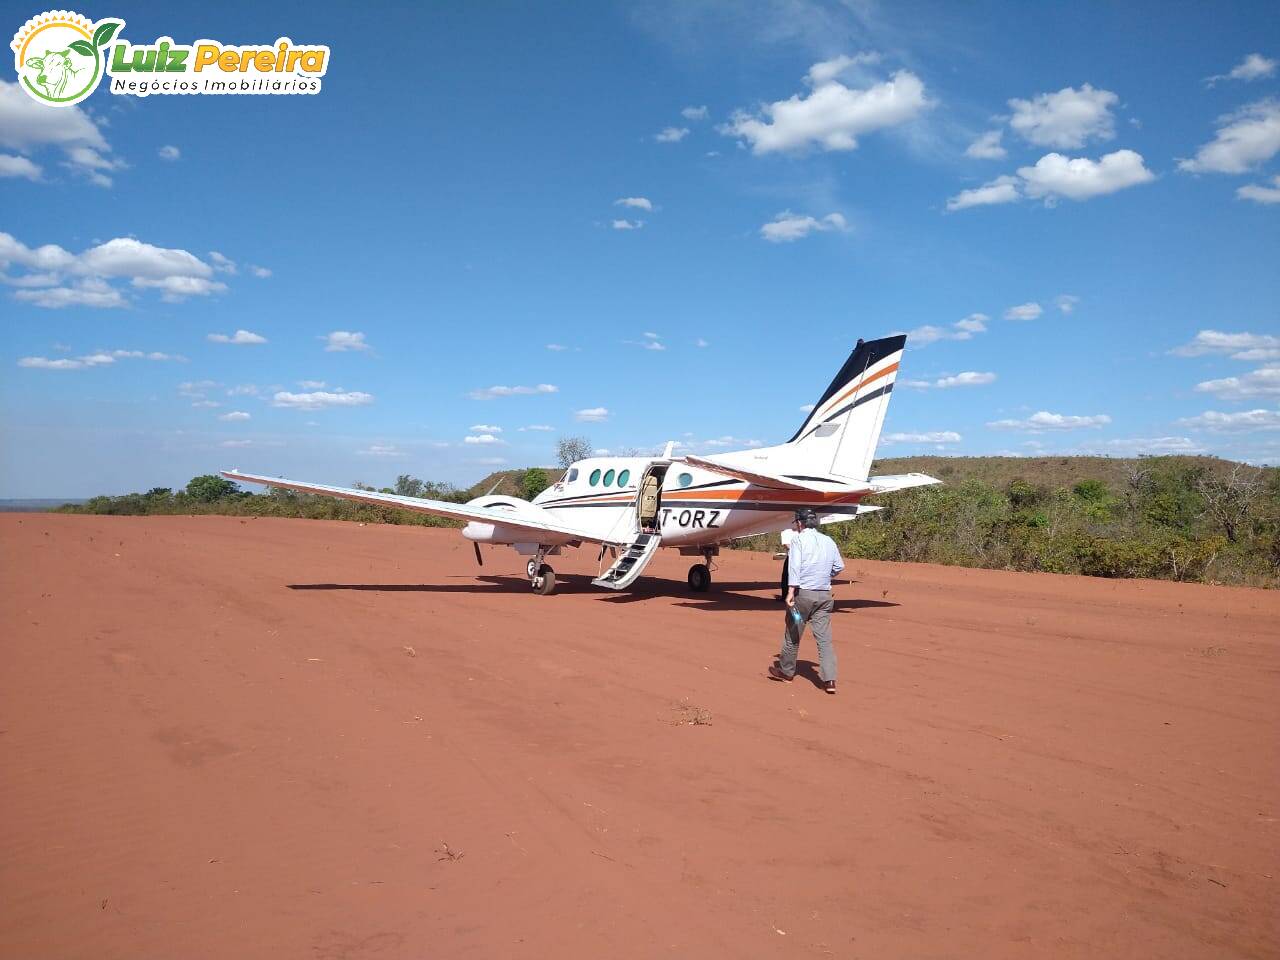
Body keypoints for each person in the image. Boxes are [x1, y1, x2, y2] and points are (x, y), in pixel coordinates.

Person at [768, 508, 844, 694]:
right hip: (824, 596)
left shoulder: (798, 541)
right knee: (824, 640)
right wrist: (825, 576)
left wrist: (790, 592)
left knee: (793, 633)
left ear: (800, 523)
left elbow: (794, 567)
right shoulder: (829, 541)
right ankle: (830, 680)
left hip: (804, 596)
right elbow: (839, 566)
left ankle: (786, 672)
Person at [778, 516, 800, 601]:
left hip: (799, 557)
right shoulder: (785, 531)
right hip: (792, 556)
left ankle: (796, 596)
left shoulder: (801, 531)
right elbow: (786, 545)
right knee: (786, 576)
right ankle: (785, 596)